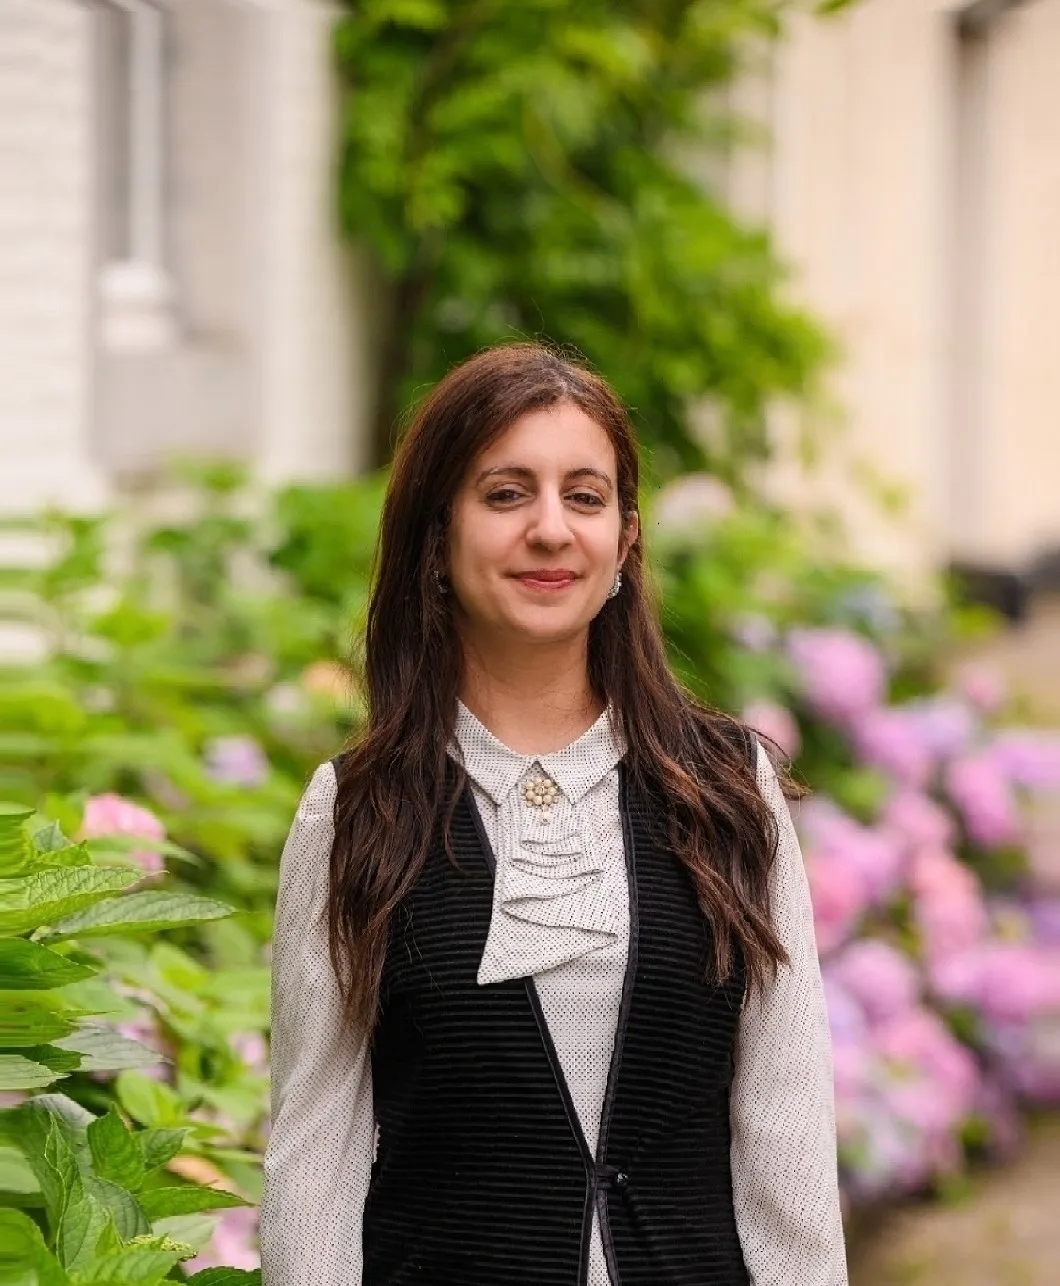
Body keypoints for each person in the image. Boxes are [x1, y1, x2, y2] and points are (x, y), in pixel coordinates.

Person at [259, 343, 848, 1286]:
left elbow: (786, 1142)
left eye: (584, 495)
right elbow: (314, 1159)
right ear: (437, 538)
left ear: (625, 539)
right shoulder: (355, 813)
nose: (549, 529)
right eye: (505, 494)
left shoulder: (729, 792)